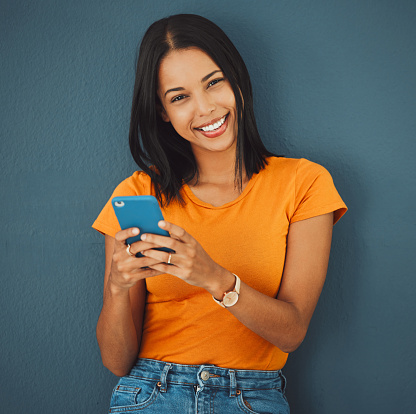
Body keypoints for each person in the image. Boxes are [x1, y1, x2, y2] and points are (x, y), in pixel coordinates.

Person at [92, 13, 347, 414]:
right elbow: (116, 361)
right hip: (150, 393)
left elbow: (292, 332)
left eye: (214, 83)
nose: (206, 108)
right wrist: (117, 287)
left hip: (252, 397)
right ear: (162, 111)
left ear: (236, 79)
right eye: (179, 97)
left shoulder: (304, 182)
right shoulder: (139, 192)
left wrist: (213, 277)